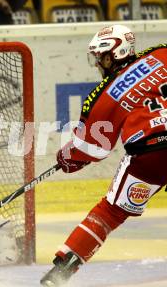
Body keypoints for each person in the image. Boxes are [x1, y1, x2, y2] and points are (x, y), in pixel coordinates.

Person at [40, 25, 167, 286]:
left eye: (100, 58)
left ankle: (62, 271)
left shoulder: (105, 94)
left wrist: (66, 158)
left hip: (151, 155)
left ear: (112, 55)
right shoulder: (162, 53)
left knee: (110, 213)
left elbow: (92, 149)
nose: (98, 64)